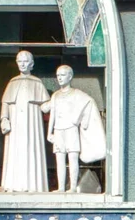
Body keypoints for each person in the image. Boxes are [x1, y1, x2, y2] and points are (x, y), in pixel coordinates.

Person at [44, 64, 103, 193]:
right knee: (59, 159)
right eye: (58, 75)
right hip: (58, 130)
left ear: (70, 76)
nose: (60, 78)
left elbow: (89, 102)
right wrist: (50, 132)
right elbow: (52, 114)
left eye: (63, 75)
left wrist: (78, 119)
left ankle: (72, 187)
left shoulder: (77, 94)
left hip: (71, 129)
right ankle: (60, 187)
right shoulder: (55, 95)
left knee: (72, 158)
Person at [0, 50, 50, 192]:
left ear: (32, 64)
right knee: (15, 150)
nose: (22, 64)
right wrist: (4, 119)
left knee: (32, 149)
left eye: (25, 61)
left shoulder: (37, 82)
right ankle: (13, 185)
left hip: (33, 124)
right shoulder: (13, 82)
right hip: (15, 124)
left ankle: (34, 185)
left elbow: (45, 105)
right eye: (19, 61)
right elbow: (6, 103)